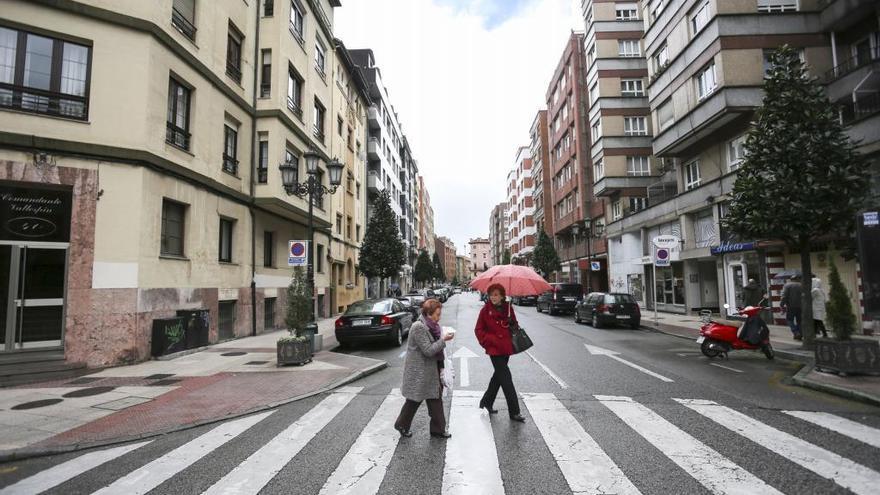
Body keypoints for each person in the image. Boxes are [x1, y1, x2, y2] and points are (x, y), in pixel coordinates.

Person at [395, 298, 454, 438]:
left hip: (431, 370)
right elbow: (428, 350)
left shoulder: (432, 326)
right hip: (419, 372)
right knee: (414, 400)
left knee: (435, 398)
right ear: (429, 313)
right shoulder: (418, 327)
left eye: (440, 314)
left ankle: (438, 429)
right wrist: (443, 340)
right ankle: (401, 424)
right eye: (437, 314)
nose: (439, 318)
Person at [474, 283, 525, 423]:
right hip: (494, 349)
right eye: (491, 294)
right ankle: (514, 412)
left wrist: (511, 322)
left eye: (496, 295)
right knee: (506, 378)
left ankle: (486, 402)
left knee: (498, 377)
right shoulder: (485, 310)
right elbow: (478, 329)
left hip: (506, 348)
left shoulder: (508, 308)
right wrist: (487, 341)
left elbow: (515, 325)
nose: (493, 297)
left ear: (502, 295)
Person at [781, 274, 803, 340]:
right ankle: (799, 333)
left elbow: (784, 296)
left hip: (791, 306)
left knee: (789, 320)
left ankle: (796, 332)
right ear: (797, 279)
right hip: (800, 306)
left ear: (791, 279)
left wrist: (782, 304)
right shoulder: (801, 285)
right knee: (799, 321)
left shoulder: (787, 285)